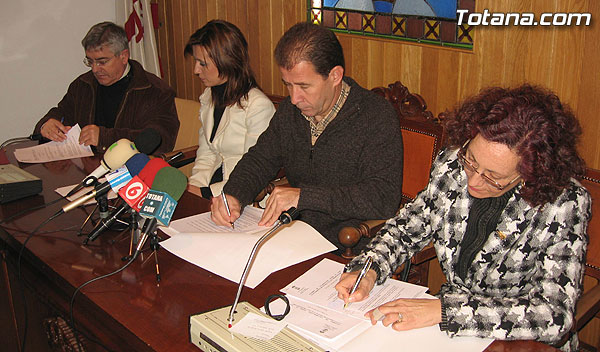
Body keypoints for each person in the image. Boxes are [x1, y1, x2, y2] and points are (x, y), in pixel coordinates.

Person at [335, 85, 590, 351]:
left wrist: (447, 312)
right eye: (471, 160)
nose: (474, 180)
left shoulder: (563, 203)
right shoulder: (453, 164)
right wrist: (369, 268)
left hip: (518, 343)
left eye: (493, 176)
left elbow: (554, 315)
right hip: (445, 333)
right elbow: (409, 227)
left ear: (530, 172)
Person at [210, 22, 403, 250]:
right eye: (288, 85)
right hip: (293, 237)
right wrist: (233, 195)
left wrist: (304, 197)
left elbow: (382, 197)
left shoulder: (375, 116)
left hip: (347, 247)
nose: (294, 98)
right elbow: (260, 160)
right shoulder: (290, 113)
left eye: (303, 86)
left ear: (335, 76)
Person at [34, 22, 179, 155]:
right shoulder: (83, 84)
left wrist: (105, 138)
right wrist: (46, 124)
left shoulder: (155, 91)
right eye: (90, 61)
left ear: (123, 56)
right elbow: (62, 113)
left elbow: (161, 141)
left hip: (131, 174)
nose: (95, 69)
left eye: (102, 62)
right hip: (85, 170)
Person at [185, 20, 275, 198]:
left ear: (227, 61)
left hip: (243, 197)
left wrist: (205, 193)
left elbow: (255, 173)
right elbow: (206, 155)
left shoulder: (258, 106)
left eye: (202, 63)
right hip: (211, 192)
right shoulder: (208, 97)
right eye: (196, 62)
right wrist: (192, 191)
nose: (196, 70)